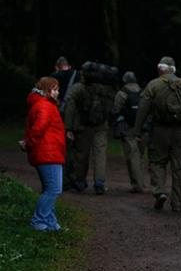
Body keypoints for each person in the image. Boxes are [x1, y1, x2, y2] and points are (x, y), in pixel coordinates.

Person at [131, 56, 181, 212]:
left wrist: (137, 130)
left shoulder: (153, 85)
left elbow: (143, 109)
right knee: (180, 167)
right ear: (173, 69)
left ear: (160, 69)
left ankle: (159, 191)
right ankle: (178, 203)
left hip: (159, 130)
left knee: (157, 162)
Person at [63, 61, 117, 195]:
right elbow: (113, 107)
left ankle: (79, 182)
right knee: (100, 154)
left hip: (83, 125)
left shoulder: (79, 87)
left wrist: (68, 127)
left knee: (82, 154)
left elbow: (69, 106)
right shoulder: (107, 88)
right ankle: (99, 182)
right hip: (102, 125)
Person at [23, 77, 66, 231]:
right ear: (46, 91)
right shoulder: (45, 106)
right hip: (48, 153)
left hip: (47, 152)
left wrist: (28, 143)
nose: (57, 92)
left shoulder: (42, 105)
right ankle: (38, 220)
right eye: (54, 89)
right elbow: (38, 129)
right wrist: (28, 142)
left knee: (50, 188)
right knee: (54, 189)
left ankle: (50, 222)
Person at [111, 71, 146, 193]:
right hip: (142, 128)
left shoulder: (122, 93)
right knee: (139, 155)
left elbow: (115, 110)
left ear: (124, 80)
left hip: (128, 127)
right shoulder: (143, 92)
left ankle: (138, 185)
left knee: (132, 156)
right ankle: (141, 181)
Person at [50, 56, 80, 191]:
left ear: (57, 66)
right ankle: (73, 177)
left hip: (59, 114)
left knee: (59, 146)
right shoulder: (78, 76)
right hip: (76, 117)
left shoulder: (55, 77)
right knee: (73, 148)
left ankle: (61, 179)